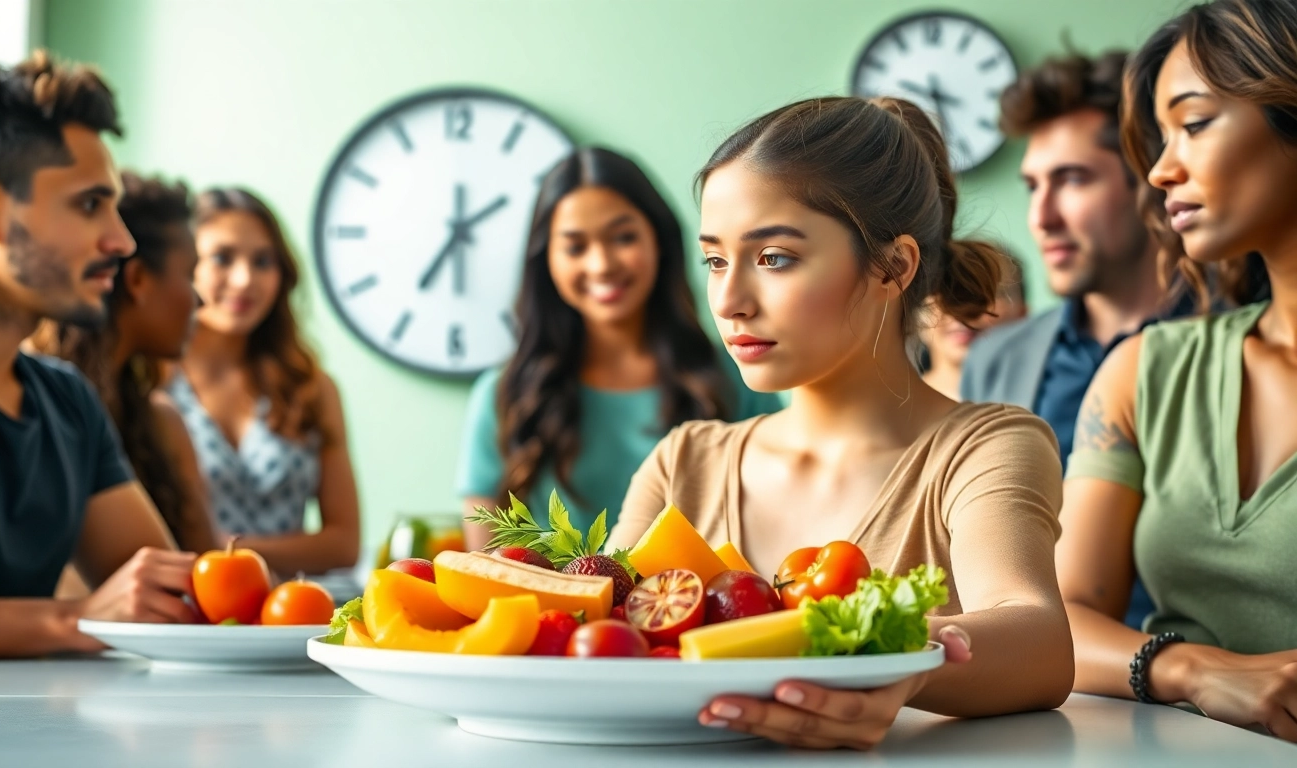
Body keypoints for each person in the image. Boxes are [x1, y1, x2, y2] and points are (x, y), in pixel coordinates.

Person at [609, 97, 1073, 749]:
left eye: (774, 257)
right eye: (715, 260)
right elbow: (608, 630)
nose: (729, 300)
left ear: (893, 267)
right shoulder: (684, 461)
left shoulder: (983, 447)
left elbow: (1039, 639)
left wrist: (880, 659)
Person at [1058, 0, 1297, 742]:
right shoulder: (1144, 371)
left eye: (1194, 124)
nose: (1162, 170)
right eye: (1162, 138)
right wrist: (1194, 669)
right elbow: (1057, 618)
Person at [0, 52, 198, 659]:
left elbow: (163, 599)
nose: (122, 240)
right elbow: (102, 612)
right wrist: (76, 619)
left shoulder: (67, 401)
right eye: (89, 205)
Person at [458, 147, 781, 546]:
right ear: (547, 260)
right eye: (575, 247)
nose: (602, 265)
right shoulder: (503, 395)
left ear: (659, 240)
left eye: (623, 237)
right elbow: (486, 564)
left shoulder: (739, 375)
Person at [961, 50, 1189, 466]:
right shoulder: (993, 362)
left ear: (1149, 182)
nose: (1041, 218)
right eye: (1033, 186)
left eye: (1072, 180)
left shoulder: (1246, 336)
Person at [170, 188, 360, 577]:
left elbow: (344, 543)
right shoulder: (151, 386)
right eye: (222, 258)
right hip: (182, 605)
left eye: (262, 261)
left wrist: (222, 550)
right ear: (186, 265)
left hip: (289, 605)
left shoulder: (311, 389)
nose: (244, 280)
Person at [34, 171, 216, 554]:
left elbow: (206, 564)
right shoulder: (43, 411)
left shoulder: (162, 423)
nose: (200, 300)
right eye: (190, 275)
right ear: (138, 280)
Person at [918, 251, 1026, 400]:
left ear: (1022, 315)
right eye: (946, 292)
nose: (962, 309)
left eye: (984, 293)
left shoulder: (1045, 404)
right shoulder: (893, 407)